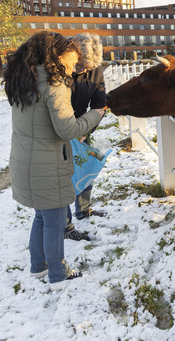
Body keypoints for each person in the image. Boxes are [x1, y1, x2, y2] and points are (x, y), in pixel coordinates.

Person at [3, 31, 105, 291]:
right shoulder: (53, 84)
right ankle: (58, 273)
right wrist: (97, 113)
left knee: (42, 216)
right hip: (47, 164)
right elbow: (68, 130)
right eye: (70, 62)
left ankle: (38, 266)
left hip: (26, 160)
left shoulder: (24, 79)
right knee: (56, 220)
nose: (72, 69)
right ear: (56, 57)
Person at [63, 33, 107, 242]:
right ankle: (65, 225)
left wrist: (85, 131)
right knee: (63, 178)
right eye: (81, 67)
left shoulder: (95, 70)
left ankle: (84, 208)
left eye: (88, 68)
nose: (84, 71)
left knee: (86, 167)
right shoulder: (60, 68)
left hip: (83, 129)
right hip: (59, 130)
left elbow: (100, 102)